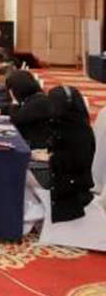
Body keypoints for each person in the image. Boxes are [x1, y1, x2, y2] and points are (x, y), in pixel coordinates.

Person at [44, 86, 96, 222]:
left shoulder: (78, 133)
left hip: (71, 192)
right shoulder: (65, 124)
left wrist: (51, 157)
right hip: (63, 182)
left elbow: (74, 166)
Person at [5, 70, 52, 149]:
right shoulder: (33, 98)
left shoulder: (38, 102)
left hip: (36, 146)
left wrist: (14, 100)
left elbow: (16, 119)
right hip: (29, 140)